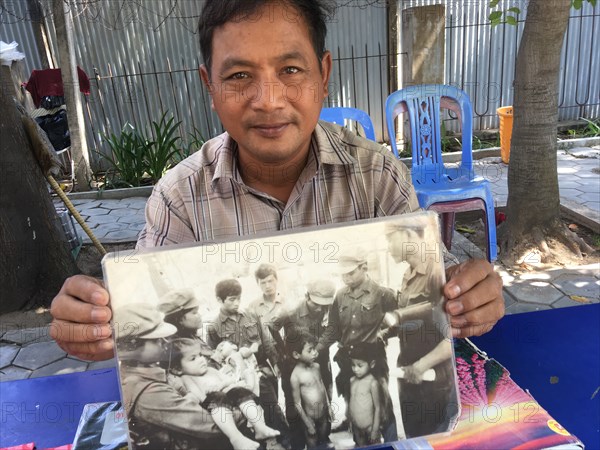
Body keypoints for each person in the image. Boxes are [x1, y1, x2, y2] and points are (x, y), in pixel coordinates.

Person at [50, 0, 504, 394]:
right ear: (210, 85)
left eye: (290, 70)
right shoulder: (179, 198)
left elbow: (434, 288)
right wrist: (97, 324)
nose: (267, 100)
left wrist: (468, 296)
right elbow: (147, 318)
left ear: (323, 74)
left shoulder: (378, 176)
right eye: (240, 75)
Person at [114, 303, 244, 449]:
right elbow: (209, 425)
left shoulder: (139, 372)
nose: (165, 342)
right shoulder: (148, 391)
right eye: (156, 339)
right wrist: (245, 406)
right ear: (133, 345)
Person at [386, 223, 459, 437]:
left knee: (432, 437)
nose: (388, 247)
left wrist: (421, 366)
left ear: (408, 233)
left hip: (431, 378)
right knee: (412, 435)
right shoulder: (408, 274)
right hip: (409, 374)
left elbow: (452, 336)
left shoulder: (437, 272)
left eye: (390, 239)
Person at [206, 278, 289, 443]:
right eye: (231, 300)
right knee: (251, 419)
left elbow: (265, 341)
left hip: (261, 374)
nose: (236, 303)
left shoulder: (251, 315)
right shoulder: (214, 327)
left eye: (239, 298)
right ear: (219, 300)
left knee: (273, 410)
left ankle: (286, 442)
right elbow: (214, 360)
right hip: (238, 382)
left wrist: (275, 364)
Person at [167, 337, 279, 450]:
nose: (201, 360)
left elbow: (230, 380)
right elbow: (195, 397)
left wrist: (222, 385)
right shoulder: (186, 378)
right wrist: (204, 393)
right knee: (217, 396)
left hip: (235, 408)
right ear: (177, 369)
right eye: (193, 358)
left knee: (239, 391)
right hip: (218, 415)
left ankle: (259, 426)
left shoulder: (211, 370)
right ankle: (235, 437)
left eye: (200, 355)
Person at [280, 278, 339, 450]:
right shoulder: (290, 313)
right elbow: (271, 328)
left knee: (323, 391)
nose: (320, 309)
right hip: (294, 361)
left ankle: (323, 437)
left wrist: (317, 349)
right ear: (307, 296)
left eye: (325, 305)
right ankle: (298, 442)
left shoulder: (330, 309)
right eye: (316, 304)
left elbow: (334, 329)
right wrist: (284, 354)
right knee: (294, 402)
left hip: (319, 358)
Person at [288, 332, 332, 450]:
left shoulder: (316, 366)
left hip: (323, 414)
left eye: (314, 348)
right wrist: (308, 424)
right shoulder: (295, 376)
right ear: (296, 354)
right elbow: (297, 404)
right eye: (310, 350)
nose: (314, 352)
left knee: (323, 441)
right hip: (309, 418)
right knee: (312, 443)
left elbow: (322, 386)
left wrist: (329, 407)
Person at [348, 343, 393, 447]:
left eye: (360, 365)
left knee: (375, 447)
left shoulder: (372, 383)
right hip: (356, 427)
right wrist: (350, 421)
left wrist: (375, 430)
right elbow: (352, 402)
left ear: (372, 364)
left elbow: (378, 407)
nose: (355, 369)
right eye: (353, 365)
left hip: (370, 427)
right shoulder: (352, 380)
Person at [158, 288, 214, 358]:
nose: (199, 315)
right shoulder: (180, 346)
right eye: (194, 313)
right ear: (179, 319)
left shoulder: (190, 335)